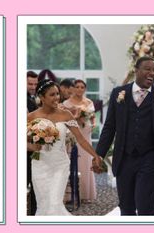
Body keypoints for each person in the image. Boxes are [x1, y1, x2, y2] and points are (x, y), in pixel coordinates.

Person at [96, 56, 154, 215]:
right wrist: (98, 155)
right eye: (147, 69)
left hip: (150, 157)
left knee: (146, 206)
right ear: (136, 71)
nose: (152, 73)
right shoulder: (119, 93)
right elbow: (110, 127)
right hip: (124, 158)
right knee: (126, 207)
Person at [27, 80, 102, 216]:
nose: (57, 98)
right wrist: (32, 146)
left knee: (55, 202)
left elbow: (81, 139)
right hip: (40, 165)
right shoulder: (31, 117)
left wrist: (95, 155)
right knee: (43, 204)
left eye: (57, 94)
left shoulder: (65, 114)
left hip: (59, 164)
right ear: (42, 97)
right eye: (52, 95)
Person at [63, 79, 97, 203]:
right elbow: (65, 120)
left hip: (86, 132)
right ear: (73, 88)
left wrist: (93, 124)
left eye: (82, 87)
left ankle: (85, 193)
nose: (79, 89)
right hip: (73, 133)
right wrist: (78, 117)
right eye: (77, 86)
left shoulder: (89, 102)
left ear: (85, 89)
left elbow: (93, 117)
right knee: (73, 160)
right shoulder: (66, 103)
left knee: (86, 161)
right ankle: (70, 194)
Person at [26, 70, 38, 215]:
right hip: (24, 148)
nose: (33, 86)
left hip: (33, 148)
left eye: (35, 84)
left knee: (34, 182)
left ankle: (34, 214)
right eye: (30, 83)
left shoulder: (32, 98)